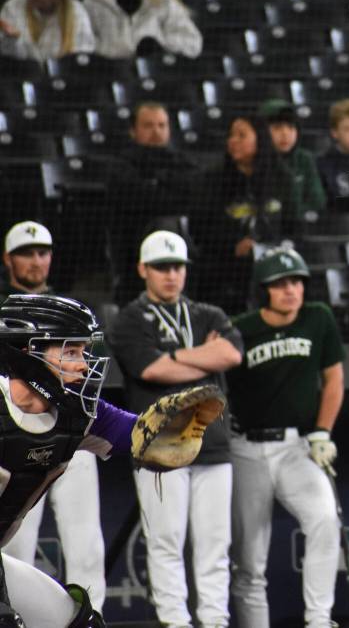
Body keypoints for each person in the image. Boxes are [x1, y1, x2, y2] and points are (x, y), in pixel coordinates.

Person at [0, 292, 206, 625]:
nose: (83, 363)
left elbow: (143, 437)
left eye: (84, 351)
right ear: (27, 354)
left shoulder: (77, 417)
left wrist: (181, 427)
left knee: (82, 623)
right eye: (70, 351)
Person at [107, 230, 243, 628]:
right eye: (161, 267)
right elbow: (150, 369)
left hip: (212, 443)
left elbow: (231, 353)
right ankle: (175, 622)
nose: (171, 275)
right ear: (142, 270)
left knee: (215, 546)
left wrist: (174, 358)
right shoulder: (130, 319)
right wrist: (205, 359)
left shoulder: (209, 313)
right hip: (159, 449)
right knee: (166, 542)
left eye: (177, 267)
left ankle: (215, 621)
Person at [225, 247, 345, 628]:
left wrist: (323, 431)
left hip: (298, 447)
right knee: (249, 558)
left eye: (296, 282)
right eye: (280, 285)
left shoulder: (318, 318)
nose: (291, 291)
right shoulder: (240, 328)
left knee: (325, 520)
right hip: (245, 448)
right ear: (265, 290)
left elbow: (334, 379)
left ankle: (319, 620)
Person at [0, 221, 107, 612]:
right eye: (27, 252)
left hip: (67, 440)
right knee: (18, 544)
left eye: (43, 251)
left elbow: (128, 430)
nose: (36, 260)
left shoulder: (69, 314)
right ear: (8, 259)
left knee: (85, 544)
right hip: (15, 439)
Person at [195, 114, 294, 315]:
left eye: (242, 135)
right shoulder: (213, 179)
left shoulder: (282, 178)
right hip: (226, 263)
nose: (233, 141)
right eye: (231, 135)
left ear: (260, 139)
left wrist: (273, 245)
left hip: (275, 260)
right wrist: (233, 245)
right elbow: (200, 228)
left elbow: (295, 225)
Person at [110, 101, 200, 305]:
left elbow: (194, 195)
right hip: (134, 247)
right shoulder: (121, 165)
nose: (156, 131)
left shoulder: (184, 162)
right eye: (148, 125)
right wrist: (171, 188)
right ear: (133, 131)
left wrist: (157, 183)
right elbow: (141, 200)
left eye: (162, 125)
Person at [0, 0, 95, 62]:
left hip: (65, 73)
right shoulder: (13, 6)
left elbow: (83, 54)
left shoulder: (77, 13)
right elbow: (7, 58)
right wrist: (10, 39)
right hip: (22, 72)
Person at [259, 98, 327, 225]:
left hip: (299, 227)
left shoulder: (304, 159)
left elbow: (317, 201)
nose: (285, 133)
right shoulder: (255, 160)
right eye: (277, 127)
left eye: (291, 127)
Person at [2, 221, 54, 298]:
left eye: (42, 253)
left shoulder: (67, 307)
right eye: (27, 254)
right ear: (7, 259)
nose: (37, 263)